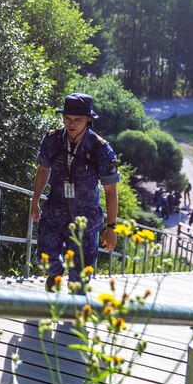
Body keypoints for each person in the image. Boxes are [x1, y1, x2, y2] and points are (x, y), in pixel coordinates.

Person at [31, 93, 120, 293]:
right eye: (68, 119)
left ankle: (73, 316)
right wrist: (35, 200)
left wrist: (111, 227)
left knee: (79, 278)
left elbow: (111, 191)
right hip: (55, 212)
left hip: (86, 220)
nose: (72, 124)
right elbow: (43, 169)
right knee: (46, 257)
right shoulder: (52, 140)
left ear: (88, 119)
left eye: (78, 120)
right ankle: (55, 274)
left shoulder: (101, 150)